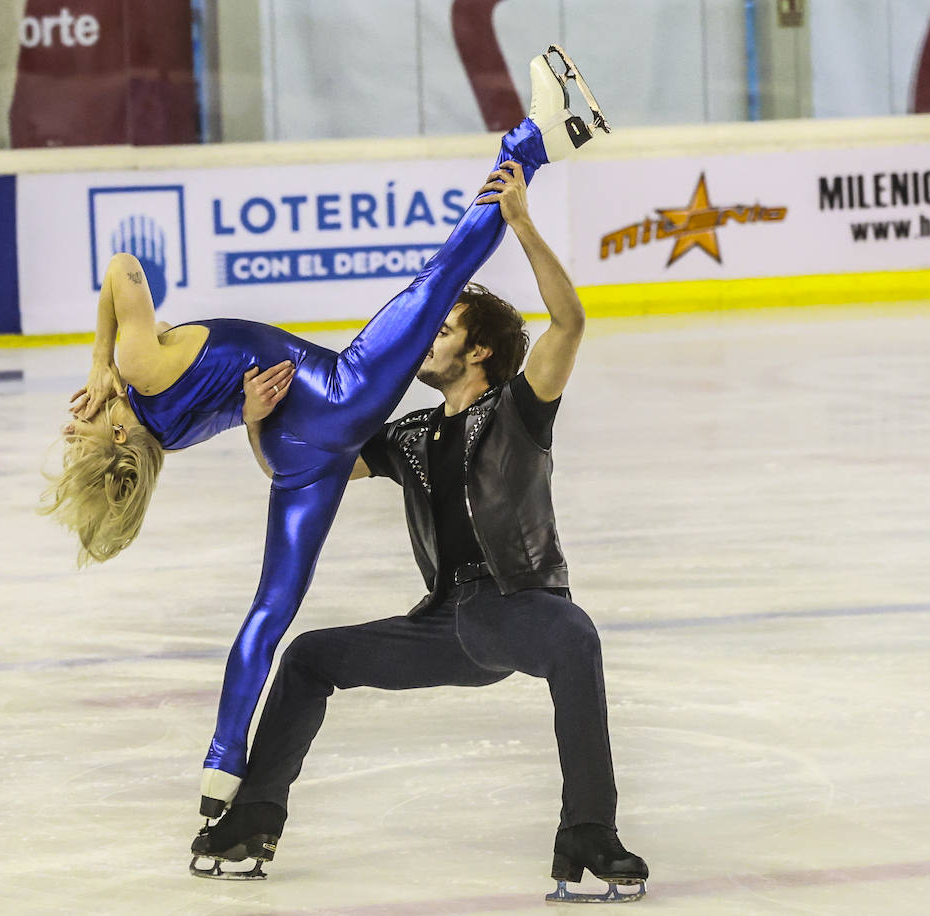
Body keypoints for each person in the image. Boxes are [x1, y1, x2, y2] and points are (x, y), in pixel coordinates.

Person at [42, 51, 607, 818]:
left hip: (296, 456)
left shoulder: (162, 433)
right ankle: (531, 141)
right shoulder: (138, 368)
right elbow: (121, 268)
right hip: (338, 397)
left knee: (270, 613)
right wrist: (102, 360)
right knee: (439, 277)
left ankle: (222, 768)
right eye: (79, 431)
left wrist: (245, 419)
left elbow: (206, 381)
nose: (75, 415)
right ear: (116, 432)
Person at [188, 105, 649, 903]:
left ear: (479, 351)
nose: (425, 337)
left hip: (518, 605)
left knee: (575, 638)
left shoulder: (518, 408)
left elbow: (569, 322)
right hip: (445, 625)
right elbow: (301, 474)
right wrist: (257, 425)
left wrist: (521, 223)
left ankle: (587, 833)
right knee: (308, 658)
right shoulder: (407, 437)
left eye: (444, 329)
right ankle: (252, 818)